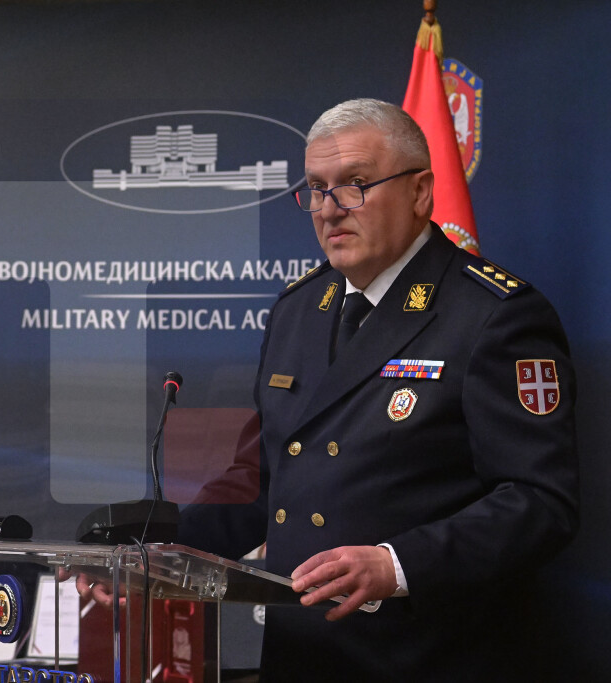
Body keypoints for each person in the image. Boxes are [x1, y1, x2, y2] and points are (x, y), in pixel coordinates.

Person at [170, 98, 580, 680]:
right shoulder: (297, 310)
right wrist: (155, 547)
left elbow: (540, 502)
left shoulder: (493, 315)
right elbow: (262, 481)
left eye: (356, 185)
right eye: (317, 188)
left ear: (420, 192)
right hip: (300, 653)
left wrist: (397, 565)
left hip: (424, 655)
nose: (329, 208)